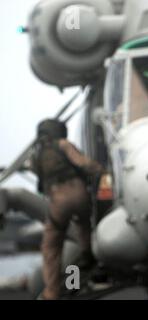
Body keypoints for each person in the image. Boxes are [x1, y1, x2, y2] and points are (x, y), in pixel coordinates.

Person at [31, 119, 103, 299]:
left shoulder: (37, 154)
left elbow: (38, 174)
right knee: (84, 224)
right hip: (80, 194)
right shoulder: (63, 144)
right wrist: (102, 170)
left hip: (59, 200)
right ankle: (87, 255)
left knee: (51, 246)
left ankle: (52, 292)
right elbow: (83, 163)